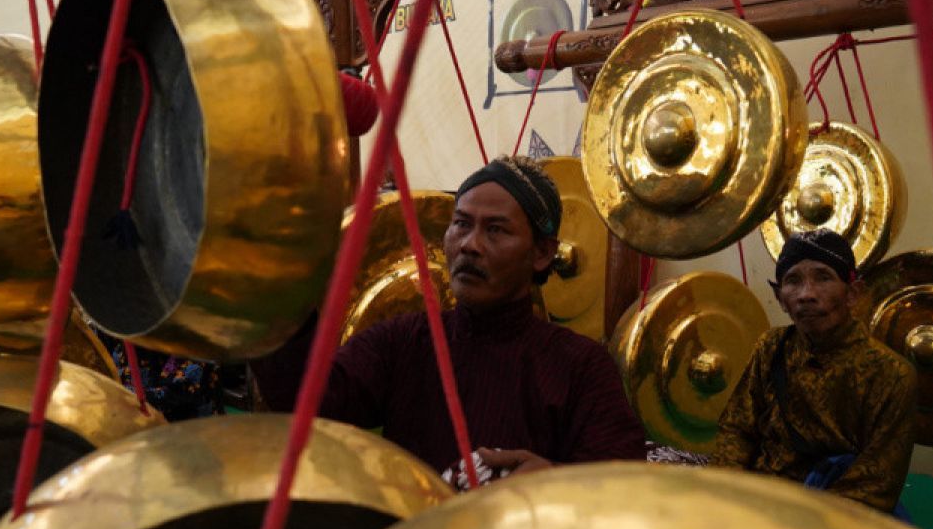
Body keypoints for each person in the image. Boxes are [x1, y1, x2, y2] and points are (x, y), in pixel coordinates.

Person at [253, 155, 647, 480]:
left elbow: (620, 488)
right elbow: (310, 401)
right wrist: (281, 291)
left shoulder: (580, 367)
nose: (470, 245)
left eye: (496, 230)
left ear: (542, 253)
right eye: (461, 224)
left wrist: (551, 480)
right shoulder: (404, 341)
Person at [710, 229, 917, 512]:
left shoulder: (891, 374)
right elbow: (736, 430)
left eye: (823, 277)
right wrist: (730, 497)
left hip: (833, 518)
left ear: (853, 293)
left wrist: (801, 522)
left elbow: (874, 484)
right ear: (780, 298)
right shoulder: (771, 347)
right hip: (758, 502)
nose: (807, 294)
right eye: (793, 280)